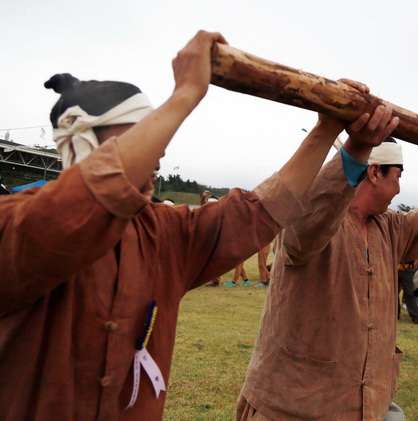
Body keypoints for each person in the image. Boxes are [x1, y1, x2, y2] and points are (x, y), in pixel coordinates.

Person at [0, 31, 379, 420]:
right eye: (141, 135)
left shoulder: (166, 234)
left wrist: (329, 133)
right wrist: (184, 96)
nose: (160, 150)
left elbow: (259, 211)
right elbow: (81, 207)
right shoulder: (14, 225)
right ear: (80, 142)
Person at [237, 138, 418, 420]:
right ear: (374, 172)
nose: (399, 188)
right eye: (397, 176)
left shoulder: (389, 227)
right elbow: (305, 228)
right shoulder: (312, 219)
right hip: (297, 407)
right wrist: (353, 151)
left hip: (366, 405)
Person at [398, 260, 418, 325]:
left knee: (409, 294)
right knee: (392, 293)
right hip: (396, 267)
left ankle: (416, 317)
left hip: (406, 268)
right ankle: (395, 314)